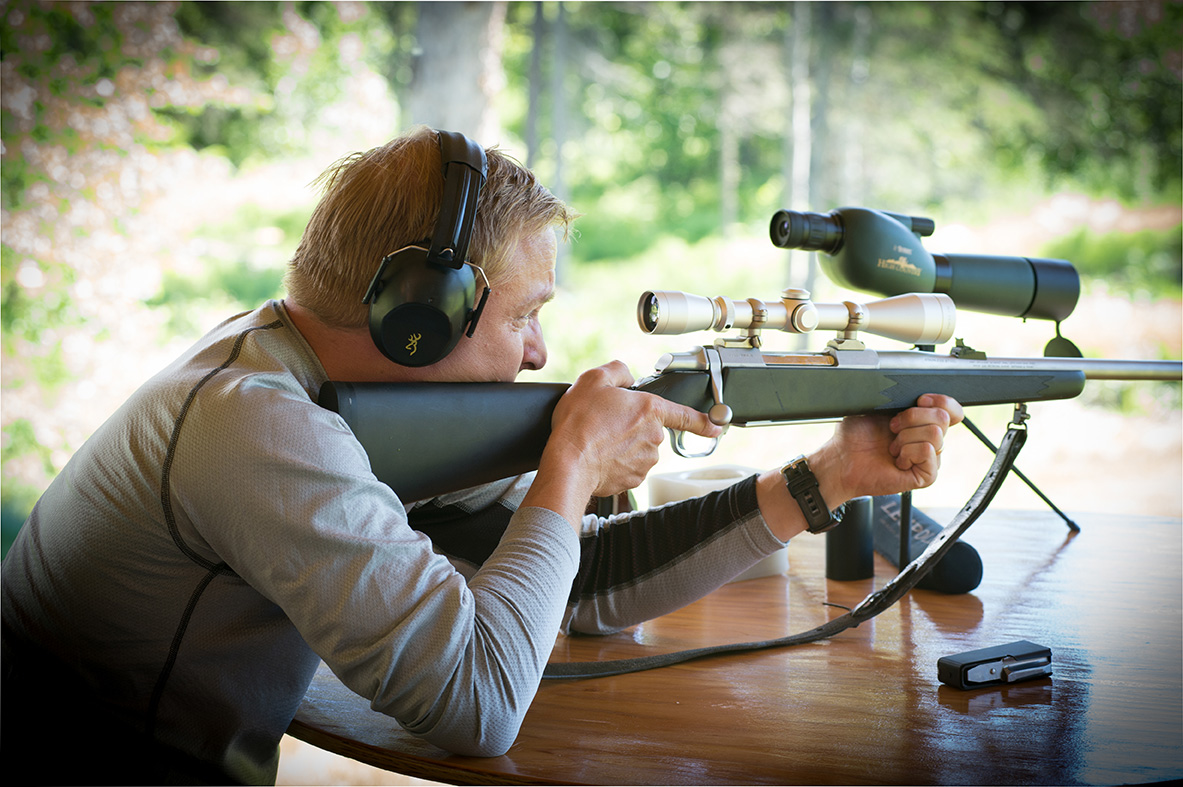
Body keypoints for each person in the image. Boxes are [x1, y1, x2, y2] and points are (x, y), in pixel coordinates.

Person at [1, 126, 962, 785]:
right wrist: (569, 467)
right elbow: (476, 703)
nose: (541, 355)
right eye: (524, 317)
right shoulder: (258, 424)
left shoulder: (294, 375)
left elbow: (576, 598)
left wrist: (828, 477)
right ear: (416, 319)